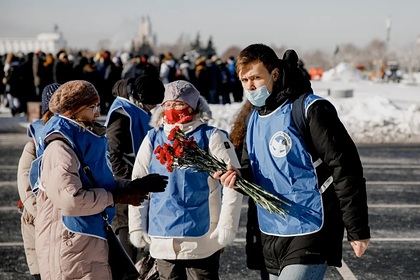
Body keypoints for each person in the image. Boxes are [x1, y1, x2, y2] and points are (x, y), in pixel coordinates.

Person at [215, 44, 370, 280]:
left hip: (311, 227)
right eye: (245, 80)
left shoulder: (311, 109)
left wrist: (357, 229)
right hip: (271, 230)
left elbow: (345, 168)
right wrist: (236, 178)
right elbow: (252, 170)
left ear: (274, 74)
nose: (250, 86)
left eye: (256, 77)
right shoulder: (253, 119)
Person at [34, 80, 168, 280]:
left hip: (86, 238)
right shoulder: (59, 148)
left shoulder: (80, 140)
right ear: (74, 110)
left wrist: (133, 186)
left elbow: (94, 182)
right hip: (68, 241)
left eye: (97, 106)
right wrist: (116, 196)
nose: (97, 113)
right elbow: (70, 201)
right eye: (92, 107)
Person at [128, 80, 243, 280]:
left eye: (178, 104)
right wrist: (137, 225)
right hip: (162, 235)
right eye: (168, 104)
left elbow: (234, 184)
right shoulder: (152, 138)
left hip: (202, 238)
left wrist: (227, 225)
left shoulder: (211, 137)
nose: (172, 109)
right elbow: (138, 184)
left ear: (192, 105)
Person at [105, 72, 165, 262]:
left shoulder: (136, 109)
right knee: (129, 238)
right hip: (127, 184)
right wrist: (129, 182)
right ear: (139, 98)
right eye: (150, 104)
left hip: (142, 181)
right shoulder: (122, 113)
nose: (153, 108)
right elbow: (113, 151)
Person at [17, 83, 61, 280]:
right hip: (38, 218)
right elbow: (25, 183)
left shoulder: (74, 136)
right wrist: (41, 212)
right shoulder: (34, 144)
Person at [229, 99, 269, 280]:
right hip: (262, 200)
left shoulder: (246, 119)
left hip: (258, 203)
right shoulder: (252, 121)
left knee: (266, 264)